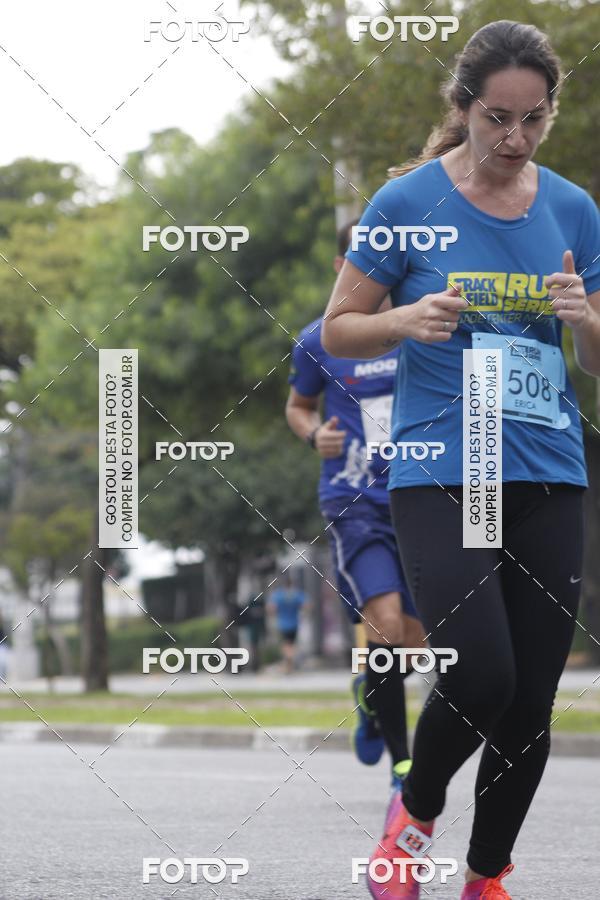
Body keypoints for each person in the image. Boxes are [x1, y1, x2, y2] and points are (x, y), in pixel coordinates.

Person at [322, 20, 600, 900]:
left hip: (548, 466)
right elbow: (337, 327)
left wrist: (584, 320)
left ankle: (487, 877)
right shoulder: (405, 204)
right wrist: (404, 320)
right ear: (464, 108)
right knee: (483, 672)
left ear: (550, 113)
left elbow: (596, 360)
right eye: (496, 118)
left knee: (530, 702)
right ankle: (414, 814)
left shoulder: (575, 208)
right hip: (451, 463)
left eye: (533, 119)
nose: (514, 139)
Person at [286, 219, 426, 783]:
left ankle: (370, 697)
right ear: (340, 268)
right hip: (354, 501)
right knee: (386, 625)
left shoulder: (423, 323)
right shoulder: (318, 339)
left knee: (411, 645)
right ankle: (403, 761)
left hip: (421, 498)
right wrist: (312, 432)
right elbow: (298, 406)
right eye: (359, 257)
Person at [268, 574, 307, 673]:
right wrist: (302, 613)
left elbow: (271, 608)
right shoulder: (297, 594)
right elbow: (307, 605)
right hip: (294, 623)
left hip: (283, 624)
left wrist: (274, 614)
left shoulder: (278, 595)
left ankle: (288, 663)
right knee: (291, 644)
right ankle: (289, 665)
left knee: (286, 645)